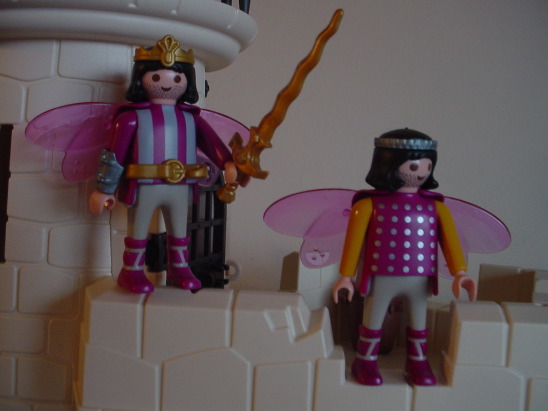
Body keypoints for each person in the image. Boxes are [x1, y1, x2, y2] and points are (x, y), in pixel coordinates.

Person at [90, 35, 237, 294]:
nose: (167, 84)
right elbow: (114, 155)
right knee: (138, 230)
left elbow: (212, 143)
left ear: (187, 81)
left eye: (177, 78)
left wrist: (227, 163)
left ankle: (179, 267)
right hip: (144, 184)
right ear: (141, 79)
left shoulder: (191, 118)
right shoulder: (130, 118)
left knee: (179, 229)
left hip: (181, 185)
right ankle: (131, 271)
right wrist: (104, 188)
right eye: (156, 77)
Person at [332, 128, 476, 386]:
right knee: (373, 320)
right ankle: (365, 361)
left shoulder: (436, 207)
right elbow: (352, 243)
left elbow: (450, 242)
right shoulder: (367, 205)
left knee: (419, 321)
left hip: (419, 277)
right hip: (380, 274)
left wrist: (460, 272)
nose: (421, 172)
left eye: (427, 165)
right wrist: (345, 276)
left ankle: (417, 362)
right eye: (414, 165)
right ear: (388, 164)